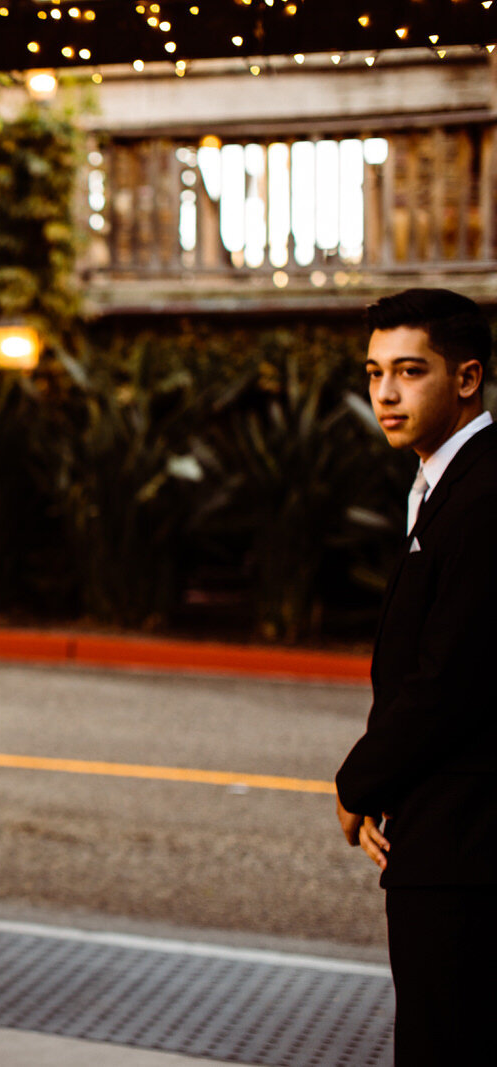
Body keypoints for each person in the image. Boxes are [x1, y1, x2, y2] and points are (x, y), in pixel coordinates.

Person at [336, 287, 497, 1066]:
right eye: (374, 373)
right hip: (442, 827)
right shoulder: (441, 481)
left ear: (467, 378)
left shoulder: (484, 493)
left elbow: (450, 678)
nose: (386, 394)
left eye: (410, 371)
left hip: (470, 844)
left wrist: (357, 781)